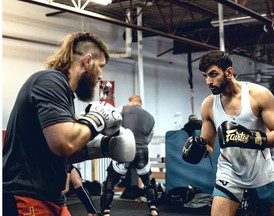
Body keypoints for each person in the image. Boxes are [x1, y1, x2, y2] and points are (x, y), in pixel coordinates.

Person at [3, 32, 136, 216]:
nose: (101, 75)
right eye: (101, 66)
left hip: (51, 196)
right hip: (28, 195)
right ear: (87, 61)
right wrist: (96, 119)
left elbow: (62, 153)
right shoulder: (50, 81)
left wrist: (104, 147)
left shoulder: (63, 93)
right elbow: (64, 144)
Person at [182, 50, 274, 216]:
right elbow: (208, 145)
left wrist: (249, 138)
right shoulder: (208, 105)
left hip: (262, 173)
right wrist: (199, 149)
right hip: (229, 174)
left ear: (229, 72)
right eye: (205, 76)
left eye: (213, 74)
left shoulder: (258, 95)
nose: (208, 81)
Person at [100, 95, 159, 216]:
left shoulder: (123, 109)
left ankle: (106, 212)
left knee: (111, 180)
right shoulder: (151, 117)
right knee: (148, 182)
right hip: (142, 150)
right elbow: (149, 138)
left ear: (130, 102)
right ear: (140, 104)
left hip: (125, 148)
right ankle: (153, 209)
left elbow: (111, 121)